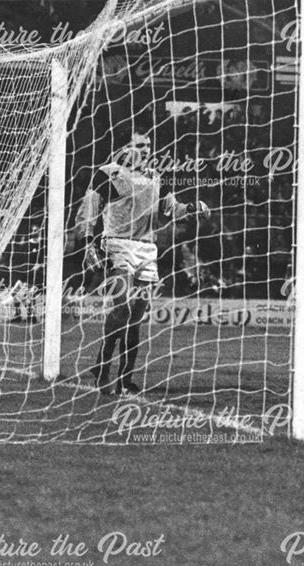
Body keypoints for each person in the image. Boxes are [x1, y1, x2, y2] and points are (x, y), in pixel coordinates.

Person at [80, 132, 209, 396]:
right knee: (122, 310)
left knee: (136, 317)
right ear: (125, 148)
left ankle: (124, 378)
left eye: (148, 145)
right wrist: (88, 244)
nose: (146, 150)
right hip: (117, 245)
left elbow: (173, 210)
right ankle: (103, 367)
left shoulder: (155, 176)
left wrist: (194, 207)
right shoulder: (108, 173)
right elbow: (88, 211)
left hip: (147, 250)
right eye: (139, 145)